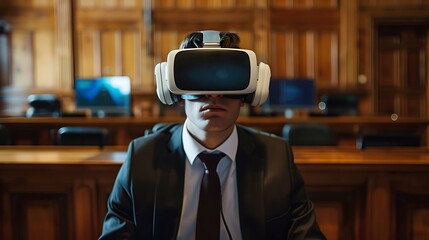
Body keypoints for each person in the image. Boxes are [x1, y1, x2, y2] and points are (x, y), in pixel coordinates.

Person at [99, 31, 326, 240]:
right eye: (199, 78)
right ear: (173, 89)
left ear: (251, 91)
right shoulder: (142, 157)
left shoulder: (276, 157)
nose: (214, 94)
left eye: (226, 78)